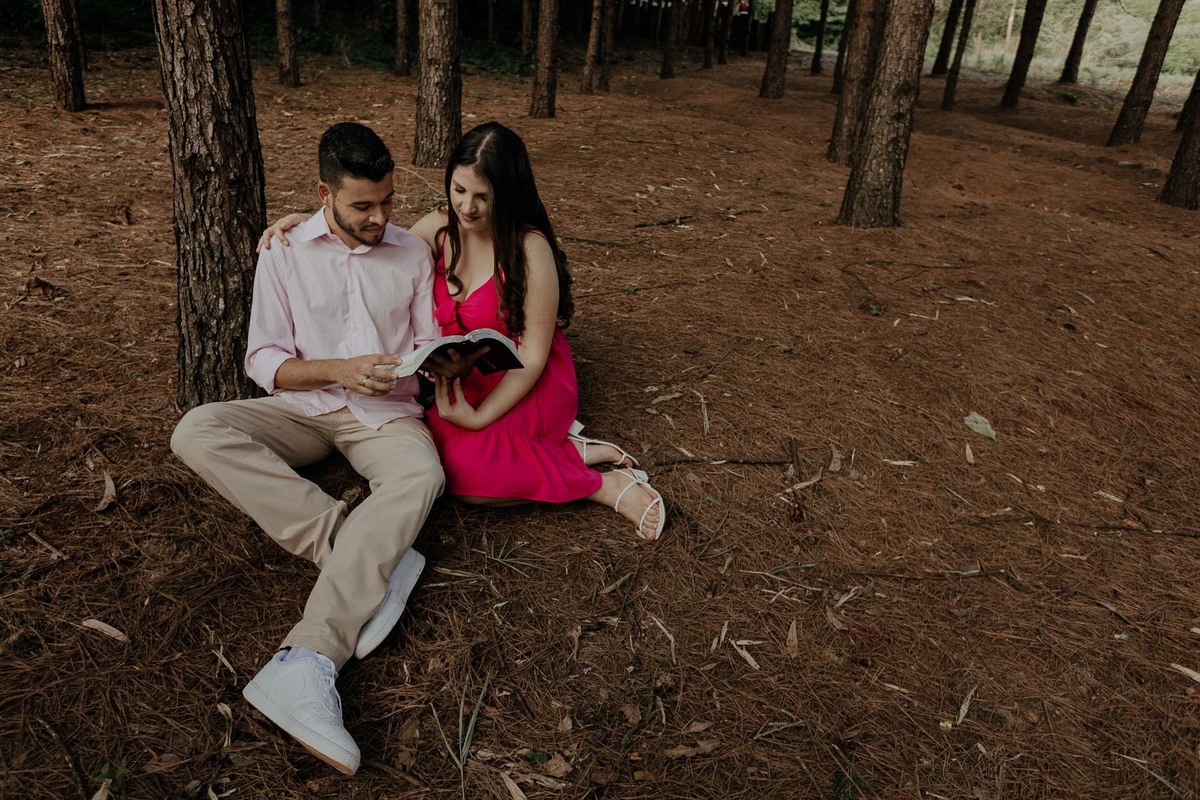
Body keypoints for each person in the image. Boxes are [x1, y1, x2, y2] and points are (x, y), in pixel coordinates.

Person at [171, 122, 465, 776]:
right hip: (305, 409)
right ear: (323, 193)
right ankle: (350, 544)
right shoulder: (284, 251)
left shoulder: (409, 254)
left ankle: (308, 660)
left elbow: (422, 346)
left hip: (384, 415)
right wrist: (337, 368)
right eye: (362, 205)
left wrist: (429, 366)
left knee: (421, 476)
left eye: (387, 201)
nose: (379, 217)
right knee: (196, 429)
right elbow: (264, 360)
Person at [261, 121, 664, 541]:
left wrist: (479, 418)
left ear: (506, 194)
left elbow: (533, 356)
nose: (467, 207)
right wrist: (310, 223)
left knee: (474, 480)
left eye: (482, 196)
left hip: (522, 377)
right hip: (461, 378)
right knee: (440, 463)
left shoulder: (530, 249)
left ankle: (603, 485)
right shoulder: (438, 228)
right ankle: (570, 451)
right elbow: (369, 245)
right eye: (458, 190)